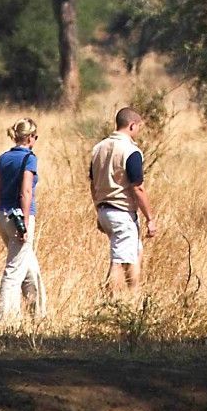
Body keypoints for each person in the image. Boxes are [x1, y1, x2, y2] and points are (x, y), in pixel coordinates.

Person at [89, 107, 156, 295]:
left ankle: (133, 296)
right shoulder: (130, 151)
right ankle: (113, 302)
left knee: (134, 253)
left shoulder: (98, 148)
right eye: (139, 127)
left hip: (104, 210)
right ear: (132, 125)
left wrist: (99, 210)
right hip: (121, 212)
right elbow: (137, 187)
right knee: (119, 261)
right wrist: (150, 218)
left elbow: (93, 184)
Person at [0, 117, 46, 320]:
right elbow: (26, 191)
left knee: (30, 267)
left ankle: (38, 315)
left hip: (3, 216)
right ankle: (4, 319)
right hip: (20, 218)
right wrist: (24, 222)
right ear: (30, 137)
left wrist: (2, 212)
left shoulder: (3, 158)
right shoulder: (29, 158)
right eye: (35, 137)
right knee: (14, 271)